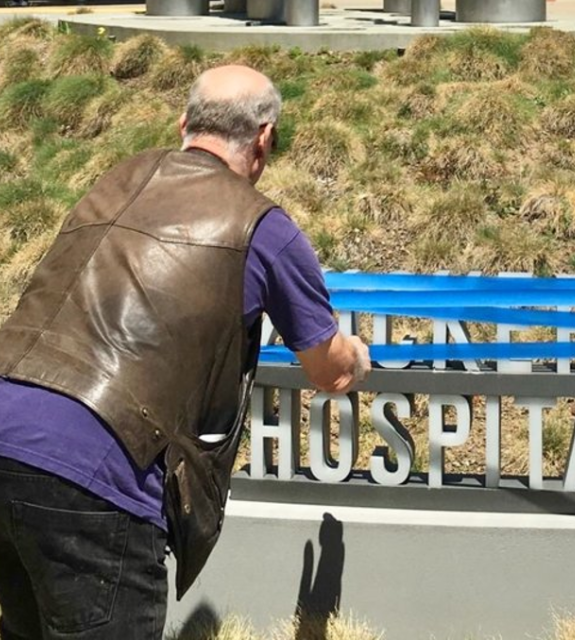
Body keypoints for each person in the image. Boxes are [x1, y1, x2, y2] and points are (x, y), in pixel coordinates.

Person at [0, 65, 372, 640]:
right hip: (96, 472)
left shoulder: (116, 178)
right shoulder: (261, 226)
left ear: (184, 124)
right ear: (265, 136)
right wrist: (355, 356)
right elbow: (328, 369)